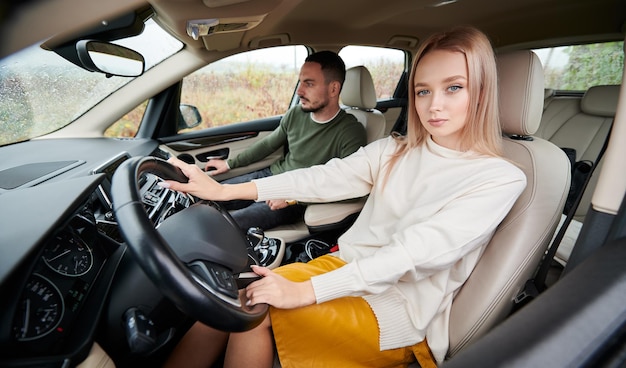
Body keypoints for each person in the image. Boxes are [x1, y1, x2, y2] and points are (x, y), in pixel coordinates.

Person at [161, 26, 527, 368]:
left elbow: (413, 254)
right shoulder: (395, 150)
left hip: (399, 311)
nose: (433, 105)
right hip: (345, 269)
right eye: (423, 90)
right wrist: (224, 190)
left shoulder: (499, 178)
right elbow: (324, 177)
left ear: (480, 91)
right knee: (230, 299)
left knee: (258, 310)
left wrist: (307, 292)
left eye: (454, 87)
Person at [206, 50, 367, 231]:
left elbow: (351, 187)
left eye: (309, 84)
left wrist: (293, 197)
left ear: (333, 89)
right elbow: (268, 144)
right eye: (300, 82)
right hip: (271, 176)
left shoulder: (350, 131)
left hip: (297, 197)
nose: (299, 91)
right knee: (209, 196)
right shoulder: (296, 114)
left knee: (228, 223)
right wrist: (229, 164)